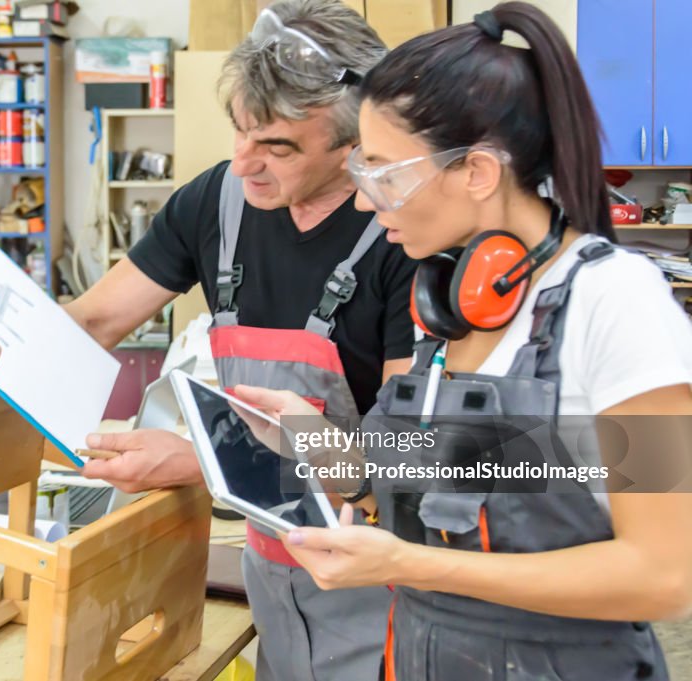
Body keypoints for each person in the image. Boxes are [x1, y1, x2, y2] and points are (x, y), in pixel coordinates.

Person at [0, 2, 419, 677]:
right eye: (240, 130)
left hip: (379, 587)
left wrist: (205, 462)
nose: (243, 164)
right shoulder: (216, 203)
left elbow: (400, 465)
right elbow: (92, 323)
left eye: (278, 147)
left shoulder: (405, 238)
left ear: (357, 145)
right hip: (273, 572)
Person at [233, 3, 692, 679]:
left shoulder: (616, 302)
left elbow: (663, 573)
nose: (365, 200)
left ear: (477, 172)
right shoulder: (447, 304)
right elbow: (460, 488)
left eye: (385, 173)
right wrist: (323, 446)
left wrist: (413, 564)